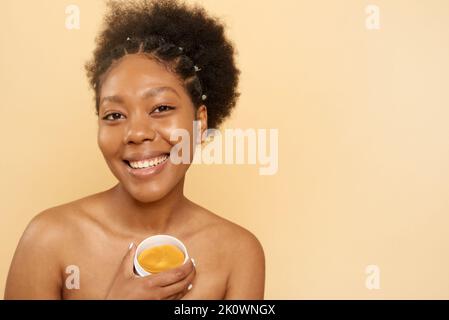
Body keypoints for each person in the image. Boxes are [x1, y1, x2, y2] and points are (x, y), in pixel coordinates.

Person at [4, 0, 265, 299]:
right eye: (114, 115)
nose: (137, 133)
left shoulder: (238, 253)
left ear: (200, 121)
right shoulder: (49, 240)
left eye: (161, 108)